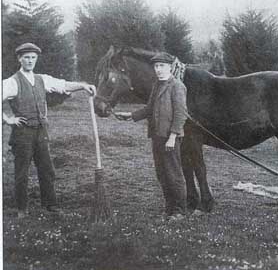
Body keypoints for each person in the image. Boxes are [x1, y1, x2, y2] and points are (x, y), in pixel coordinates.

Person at [2, 42, 96, 218]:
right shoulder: (12, 82)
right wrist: (8, 119)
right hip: (22, 133)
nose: (30, 61)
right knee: (22, 171)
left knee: (46, 168)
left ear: (36, 59)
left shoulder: (41, 79)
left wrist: (83, 85)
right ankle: (22, 209)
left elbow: (63, 85)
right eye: (26, 57)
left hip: (41, 131)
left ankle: (50, 205)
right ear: (19, 59)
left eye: (33, 58)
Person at [114, 52, 188, 221]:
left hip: (170, 138)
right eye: (156, 66)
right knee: (162, 174)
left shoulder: (177, 86)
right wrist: (131, 115)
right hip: (157, 136)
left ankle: (180, 211)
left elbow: (181, 114)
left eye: (162, 66)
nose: (159, 69)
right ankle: (169, 209)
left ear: (170, 67)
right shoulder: (157, 85)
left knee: (174, 175)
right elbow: (149, 109)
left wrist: (172, 137)